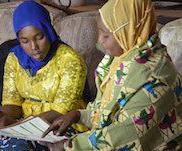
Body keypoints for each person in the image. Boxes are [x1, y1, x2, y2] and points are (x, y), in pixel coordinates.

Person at [42, 0, 182, 150]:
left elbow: (126, 133)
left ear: (128, 31)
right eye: (100, 31)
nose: (99, 40)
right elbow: (104, 111)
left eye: (106, 35)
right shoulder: (120, 58)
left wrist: (69, 146)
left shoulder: (157, 75)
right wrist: (77, 115)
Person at [0, 0, 88, 150]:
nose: (34, 47)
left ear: (48, 31)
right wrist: (2, 117)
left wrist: (15, 125)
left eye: (39, 37)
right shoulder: (14, 58)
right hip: (24, 124)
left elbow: (60, 111)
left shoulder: (69, 60)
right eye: (25, 41)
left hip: (61, 125)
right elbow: (13, 103)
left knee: (15, 147)